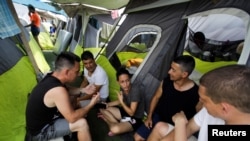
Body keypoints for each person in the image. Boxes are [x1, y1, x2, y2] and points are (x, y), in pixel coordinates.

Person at [148, 64, 250, 141]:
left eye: (204, 100)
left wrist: (179, 123)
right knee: (161, 127)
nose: (200, 101)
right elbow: (190, 128)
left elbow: (182, 128)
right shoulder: (210, 110)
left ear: (224, 108)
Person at [25, 52, 100, 141]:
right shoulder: (58, 91)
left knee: (73, 96)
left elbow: (67, 89)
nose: (78, 74)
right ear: (67, 72)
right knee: (82, 123)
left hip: (41, 122)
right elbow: (72, 118)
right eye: (76, 72)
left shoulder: (51, 76)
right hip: (40, 133)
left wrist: (83, 90)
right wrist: (91, 104)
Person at [134, 55, 200, 141]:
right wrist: (149, 117)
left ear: (184, 74)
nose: (169, 72)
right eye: (170, 68)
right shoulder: (166, 81)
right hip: (159, 117)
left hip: (176, 126)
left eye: (173, 70)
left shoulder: (197, 93)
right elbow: (156, 97)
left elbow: (198, 117)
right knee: (137, 138)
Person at [98, 67, 145, 136]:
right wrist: (107, 104)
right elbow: (119, 101)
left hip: (135, 118)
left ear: (130, 79)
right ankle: (118, 124)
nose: (126, 84)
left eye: (127, 80)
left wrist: (122, 102)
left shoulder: (135, 91)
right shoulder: (122, 87)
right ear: (118, 82)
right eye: (122, 82)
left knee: (114, 129)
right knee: (102, 108)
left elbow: (131, 113)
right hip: (125, 111)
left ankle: (107, 120)